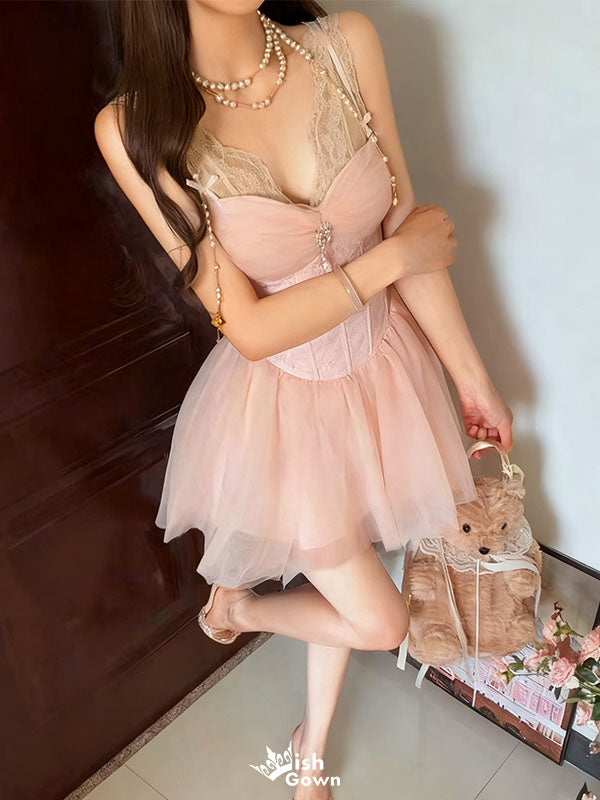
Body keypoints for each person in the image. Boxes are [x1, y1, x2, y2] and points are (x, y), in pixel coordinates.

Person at [94, 3, 513, 797]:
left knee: (347, 549)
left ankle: (309, 747)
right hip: (284, 406)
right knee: (381, 620)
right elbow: (251, 328)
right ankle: (238, 613)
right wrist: (391, 258)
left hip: (384, 371)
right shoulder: (135, 127)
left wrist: (472, 378)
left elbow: (406, 221)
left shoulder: (346, 44)